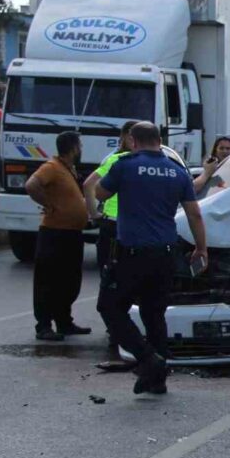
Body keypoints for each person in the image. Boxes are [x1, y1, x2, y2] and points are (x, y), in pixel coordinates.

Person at [97, 122, 208, 394]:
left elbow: (100, 193)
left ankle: (148, 359)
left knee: (110, 307)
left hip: (132, 254)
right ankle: (157, 381)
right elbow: (194, 213)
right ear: (160, 140)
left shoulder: (125, 165)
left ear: (133, 140)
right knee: (154, 315)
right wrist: (201, 249)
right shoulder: (178, 171)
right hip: (165, 255)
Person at [24, 131, 90, 341]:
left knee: (69, 281)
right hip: (54, 233)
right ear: (72, 148)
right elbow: (31, 185)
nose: (81, 150)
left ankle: (64, 322)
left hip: (72, 234)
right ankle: (43, 326)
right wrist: (49, 204)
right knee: (48, 281)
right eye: (79, 146)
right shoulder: (52, 167)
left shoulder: (68, 169)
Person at [84, 120, 137, 349]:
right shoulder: (116, 160)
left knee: (115, 279)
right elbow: (89, 184)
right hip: (120, 226)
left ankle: (118, 326)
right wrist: (94, 212)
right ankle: (119, 328)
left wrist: (94, 213)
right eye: (132, 137)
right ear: (124, 137)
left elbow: (88, 185)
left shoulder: (121, 160)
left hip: (115, 226)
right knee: (119, 279)